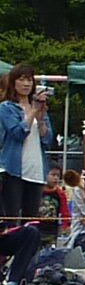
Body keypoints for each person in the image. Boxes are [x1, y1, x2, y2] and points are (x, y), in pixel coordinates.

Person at [0, 64, 56, 222]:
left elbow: (47, 139)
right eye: (22, 79)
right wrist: (32, 111)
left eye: (29, 80)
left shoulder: (39, 108)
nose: (26, 84)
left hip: (36, 169)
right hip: (14, 169)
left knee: (31, 220)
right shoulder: (6, 108)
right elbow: (18, 133)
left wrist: (41, 117)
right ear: (13, 82)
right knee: (10, 218)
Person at [39, 166, 67, 242]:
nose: (56, 178)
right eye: (53, 175)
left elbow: (65, 212)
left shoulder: (60, 193)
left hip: (52, 231)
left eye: (58, 175)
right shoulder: (37, 191)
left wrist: (64, 226)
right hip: (36, 228)